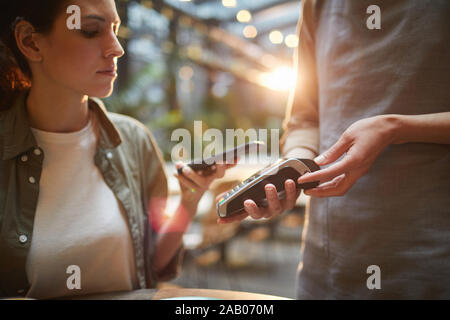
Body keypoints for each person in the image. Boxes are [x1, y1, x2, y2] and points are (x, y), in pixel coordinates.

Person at [219, 0, 450, 299]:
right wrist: (295, 164)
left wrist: (397, 128)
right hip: (328, 263)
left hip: (431, 256)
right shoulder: (317, 5)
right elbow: (304, 117)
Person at [0, 0, 229, 299]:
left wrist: (190, 200)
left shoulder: (134, 141)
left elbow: (154, 261)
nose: (116, 48)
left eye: (115, 29)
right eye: (91, 31)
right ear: (30, 42)